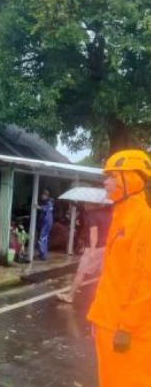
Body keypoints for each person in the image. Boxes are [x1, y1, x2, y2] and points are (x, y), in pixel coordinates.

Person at [87, 150, 151, 387]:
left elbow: (145, 281)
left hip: (129, 332)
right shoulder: (121, 217)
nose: (106, 182)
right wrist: (98, 314)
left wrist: (126, 327)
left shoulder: (144, 222)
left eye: (112, 176)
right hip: (109, 322)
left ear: (131, 178)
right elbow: (112, 275)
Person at [57, 202, 112, 303]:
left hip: (94, 248)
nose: (84, 205)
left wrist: (92, 250)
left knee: (81, 272)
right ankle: (105, 299)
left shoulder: (92, 215)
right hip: (106, 247)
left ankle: (70, 296)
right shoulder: (109, 214)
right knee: (104, 274)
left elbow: (93, 234)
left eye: (86, 203)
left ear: (92, 204)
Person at [36, 189, 54, 261]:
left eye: (44, 195)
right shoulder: (47, 202)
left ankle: (43, 255)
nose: (42, 196)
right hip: (46, 222)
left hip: (46, 222)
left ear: (46, 196)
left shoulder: (49, 203)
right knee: (44, 239)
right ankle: (43, 254)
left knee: (42, 238)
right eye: (42, 194)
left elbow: (45, 209)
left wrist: (38, 207)